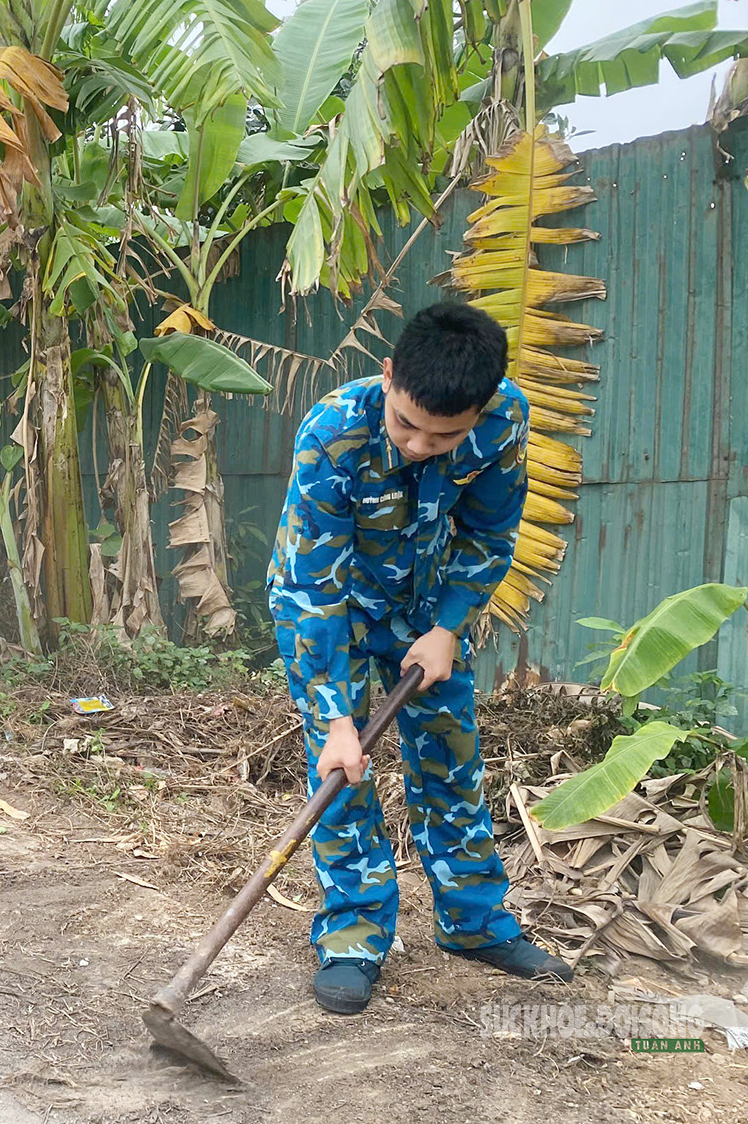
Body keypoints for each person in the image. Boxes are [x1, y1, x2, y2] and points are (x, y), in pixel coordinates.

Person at [266, 301, 573, 1016]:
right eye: (405, 423)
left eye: (443, 436)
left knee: (450, 762)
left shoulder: (503, 421)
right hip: (332, 611)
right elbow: (312, 592)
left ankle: (474, 924)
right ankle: (354, 933)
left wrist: (448, 625)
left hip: (426, 614)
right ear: (387, 375)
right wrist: (337, 716)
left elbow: (492, 532)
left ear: (481, 410)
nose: (416, 444)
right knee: (342, 773)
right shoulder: (334, 433)